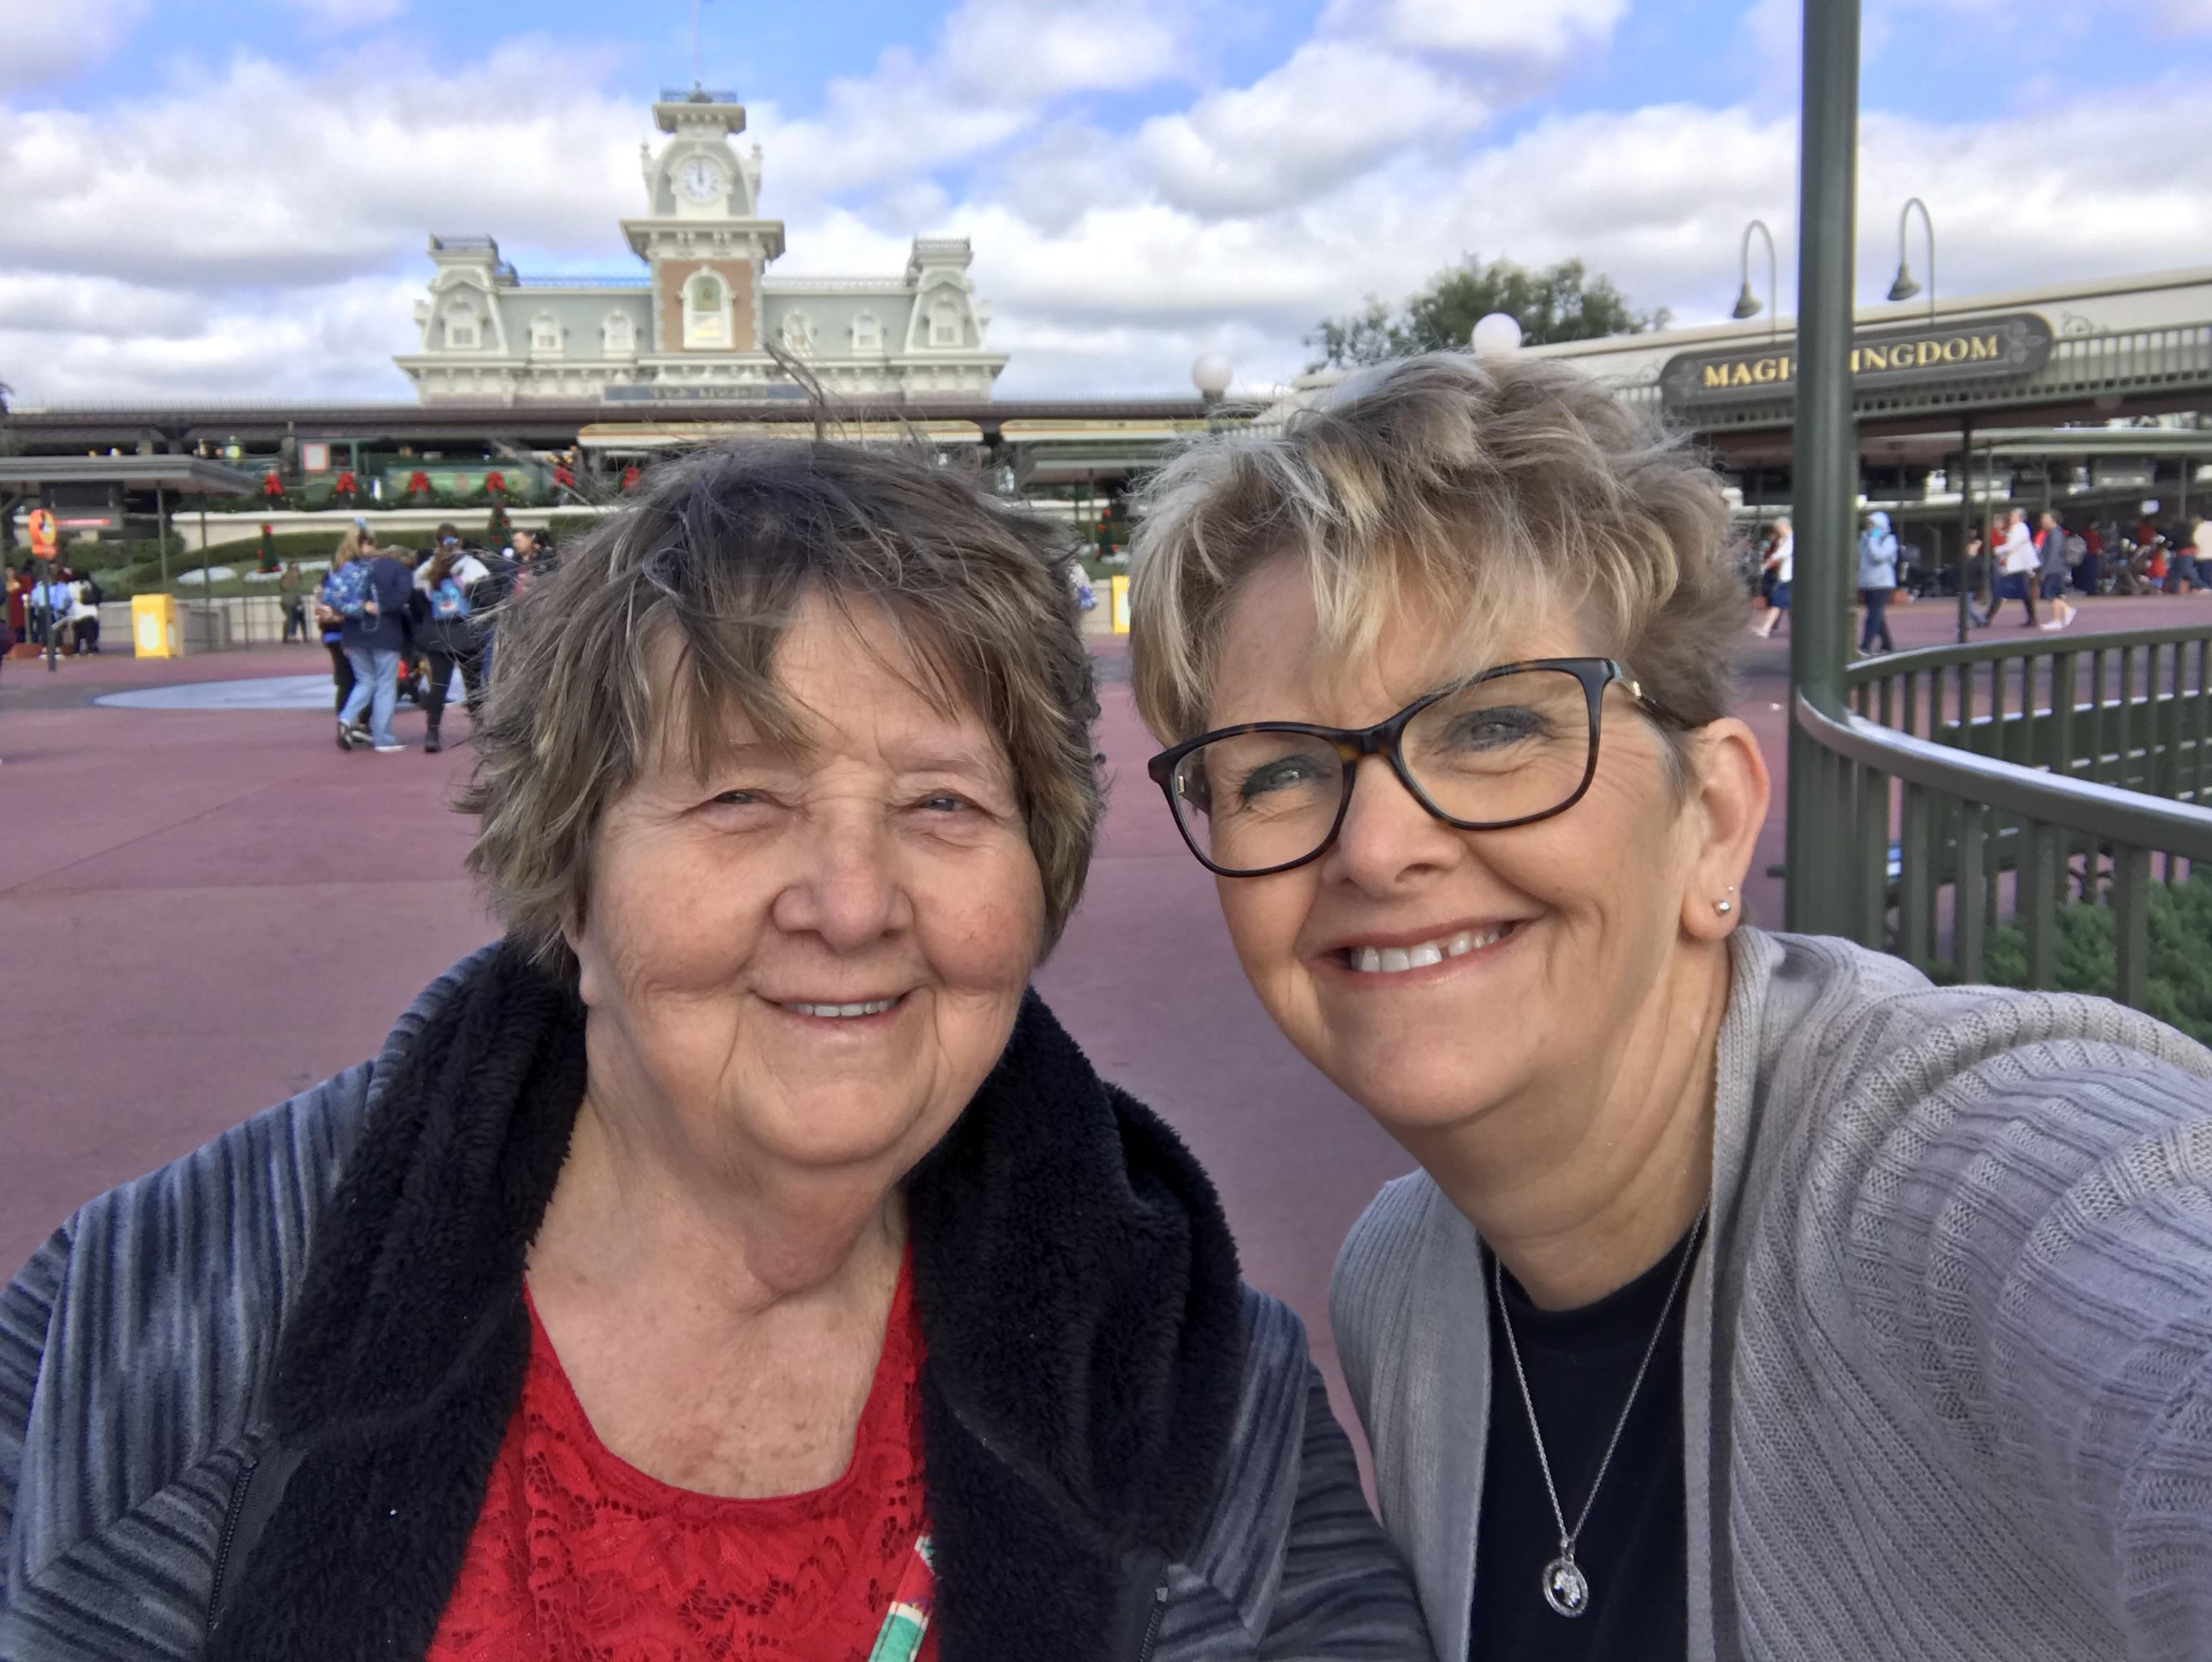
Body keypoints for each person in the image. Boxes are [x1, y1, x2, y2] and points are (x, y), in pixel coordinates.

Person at [0, 440, 1429, 1661]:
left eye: (942, 804)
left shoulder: (1193, 1383)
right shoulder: (153, 1321)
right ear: (567, 874)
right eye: (740, 795)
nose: (852, 902)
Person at [1126, 352, 2212, 1662]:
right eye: (1283, 769)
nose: (1376, 848)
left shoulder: (1947, 1175)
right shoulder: (1396, 1282)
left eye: (1490, 727)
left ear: (1710, 822)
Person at [328, 530, 413, 752]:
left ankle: (347, 719)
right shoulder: (396, 569)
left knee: (365, 681)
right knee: (386, 685)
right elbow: (402, 598)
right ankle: (384, 737)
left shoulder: (348, 567)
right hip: (385, 632)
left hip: (353, 633)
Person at [416, 544, 484, 754]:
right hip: (466, 635)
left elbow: (419, 606)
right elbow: (483, 598)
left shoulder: (430, 579)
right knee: (473, 685)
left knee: (438, 686)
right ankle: (480, 730)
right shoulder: (469, 574)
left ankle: (432, 733)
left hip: (439, 637)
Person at [315, 547, 357, 719]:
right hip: (341, 635)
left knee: (346, 678)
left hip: (333, 636)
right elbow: (325, 614)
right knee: (349, 679)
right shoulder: (341, 583)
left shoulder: (325, 584)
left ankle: (346, 718)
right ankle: (347, 719)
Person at [1855, 509, 1897, 655]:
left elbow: (1878, 556)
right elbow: (1858, 558)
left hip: (1882, 583)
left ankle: (1865, 646)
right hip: (1866, 582)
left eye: (1872, 524)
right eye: (1868, 523)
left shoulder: (1889, 539)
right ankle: (1887, 645)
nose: (1869, 527)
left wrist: (1873, 538)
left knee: (1873, 614)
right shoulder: (1864, 539)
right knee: (1877, 615)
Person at [1996, 506, 2041, 625]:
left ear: (2019, 517)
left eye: (2013, 515)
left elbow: (2012, 546)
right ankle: (2032, 618)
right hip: (2019, 566)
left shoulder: (2018, 528)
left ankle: (1987, 618)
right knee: (2022, 593)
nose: (2011, 517)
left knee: (2002, 591)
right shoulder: (2020, 528)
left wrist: (1998, 550)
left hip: (2018, 566)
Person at [1747, 516, 1789, 638]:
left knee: (1777, 602)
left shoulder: (1789, 540)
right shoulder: (1786, 540)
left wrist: (1764, 567)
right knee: (1778, 603)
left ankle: (1766, 628)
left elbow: (1777, 556)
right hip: (1783, 576)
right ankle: (1767, 628)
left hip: (1786, 577)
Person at [2036, 510, 2078, 629]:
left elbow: (2054, 553)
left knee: (2052, 595)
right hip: (2056, 568)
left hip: (2054, 569)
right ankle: (2062, 614)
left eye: (2045, 518)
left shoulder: (2055, 534)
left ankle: (2059, 618)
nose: (2042, 521)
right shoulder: (2055, 533)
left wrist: (2045, 571)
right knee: (2054, 595)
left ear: (2053, 520)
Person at [279, 561, 307, 642]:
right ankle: (291, 636)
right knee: (292, 618)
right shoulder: (290, 577)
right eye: (295, 568)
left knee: (296, 618)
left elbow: (298, 590)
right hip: (290, 601)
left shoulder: (296, 577)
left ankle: (298, 636)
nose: (297, 569)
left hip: (293, 601)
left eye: (297, 567)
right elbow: (288, 588)